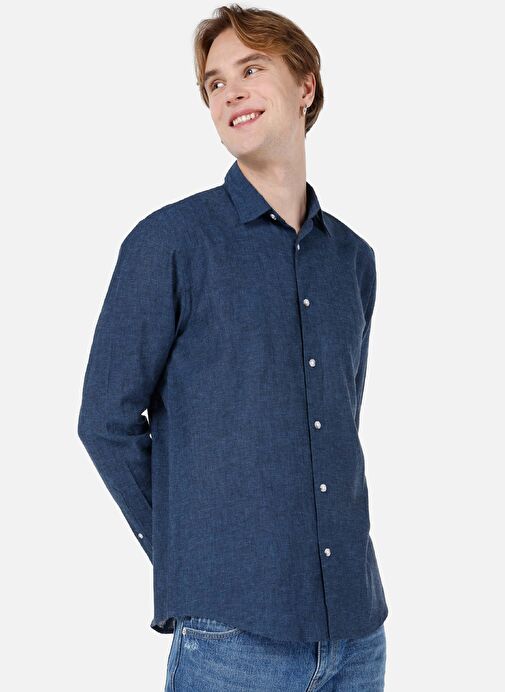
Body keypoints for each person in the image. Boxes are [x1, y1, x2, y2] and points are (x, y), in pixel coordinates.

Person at [77, 4, 389, 690]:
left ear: (305, 85)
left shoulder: (353, 261)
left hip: (358, 634)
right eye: (215, 83)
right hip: (231, 639)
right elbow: (104, 421)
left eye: (251, 70)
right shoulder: (169, 242)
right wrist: (189, 559)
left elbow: (338, 421)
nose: (230, 93)